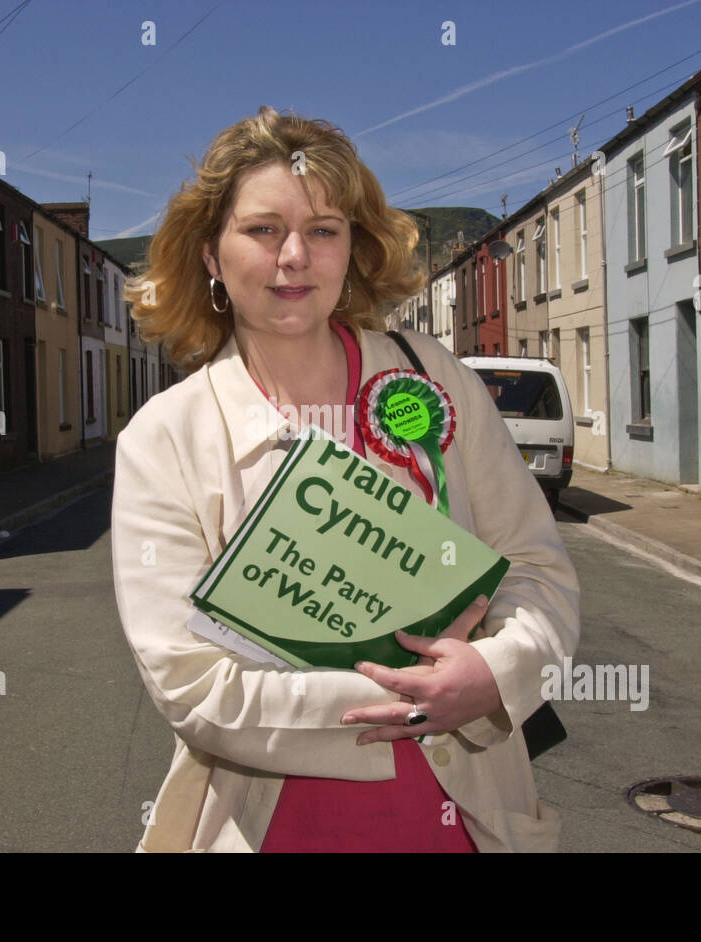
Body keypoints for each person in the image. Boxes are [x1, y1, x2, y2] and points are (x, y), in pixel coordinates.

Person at [111, 106, 580, 852]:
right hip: (273, 826)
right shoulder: (164, 438)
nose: (294, 256)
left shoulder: (437, 379)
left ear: (351, 247)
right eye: (263, 230)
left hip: (464, 817)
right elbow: (192, 684)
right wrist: (409, 698)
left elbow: (537, 569)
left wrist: (496, 673)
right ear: (210, 253)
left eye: (324, 230)